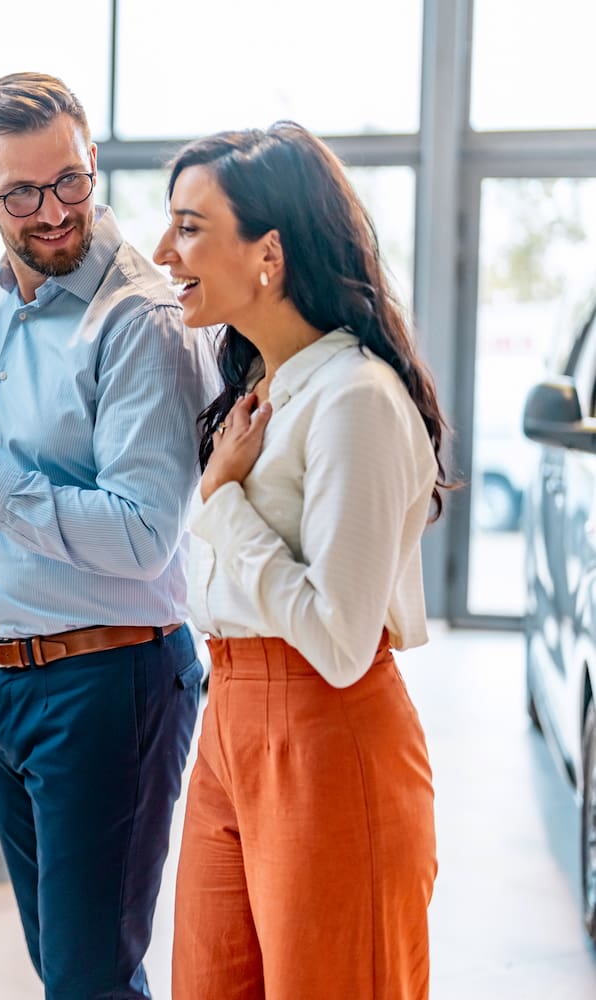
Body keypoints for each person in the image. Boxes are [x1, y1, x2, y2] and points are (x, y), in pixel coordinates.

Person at [0, 72, 217, 999]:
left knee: (88, 982)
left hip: (108, 682)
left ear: (93, 161)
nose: (55, 211)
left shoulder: (139, 321)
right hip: (7, 683)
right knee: (71, 973)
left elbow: (145, 534)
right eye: (23, 193)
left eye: (72, 180)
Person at [151, 122, 448, 999]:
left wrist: (222, 503)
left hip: (327, 728)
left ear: (268, 251)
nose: (165, 251)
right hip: (230, 718)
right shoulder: (261, 391)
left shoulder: (356, 397)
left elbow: (342, 639)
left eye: (189, 227)